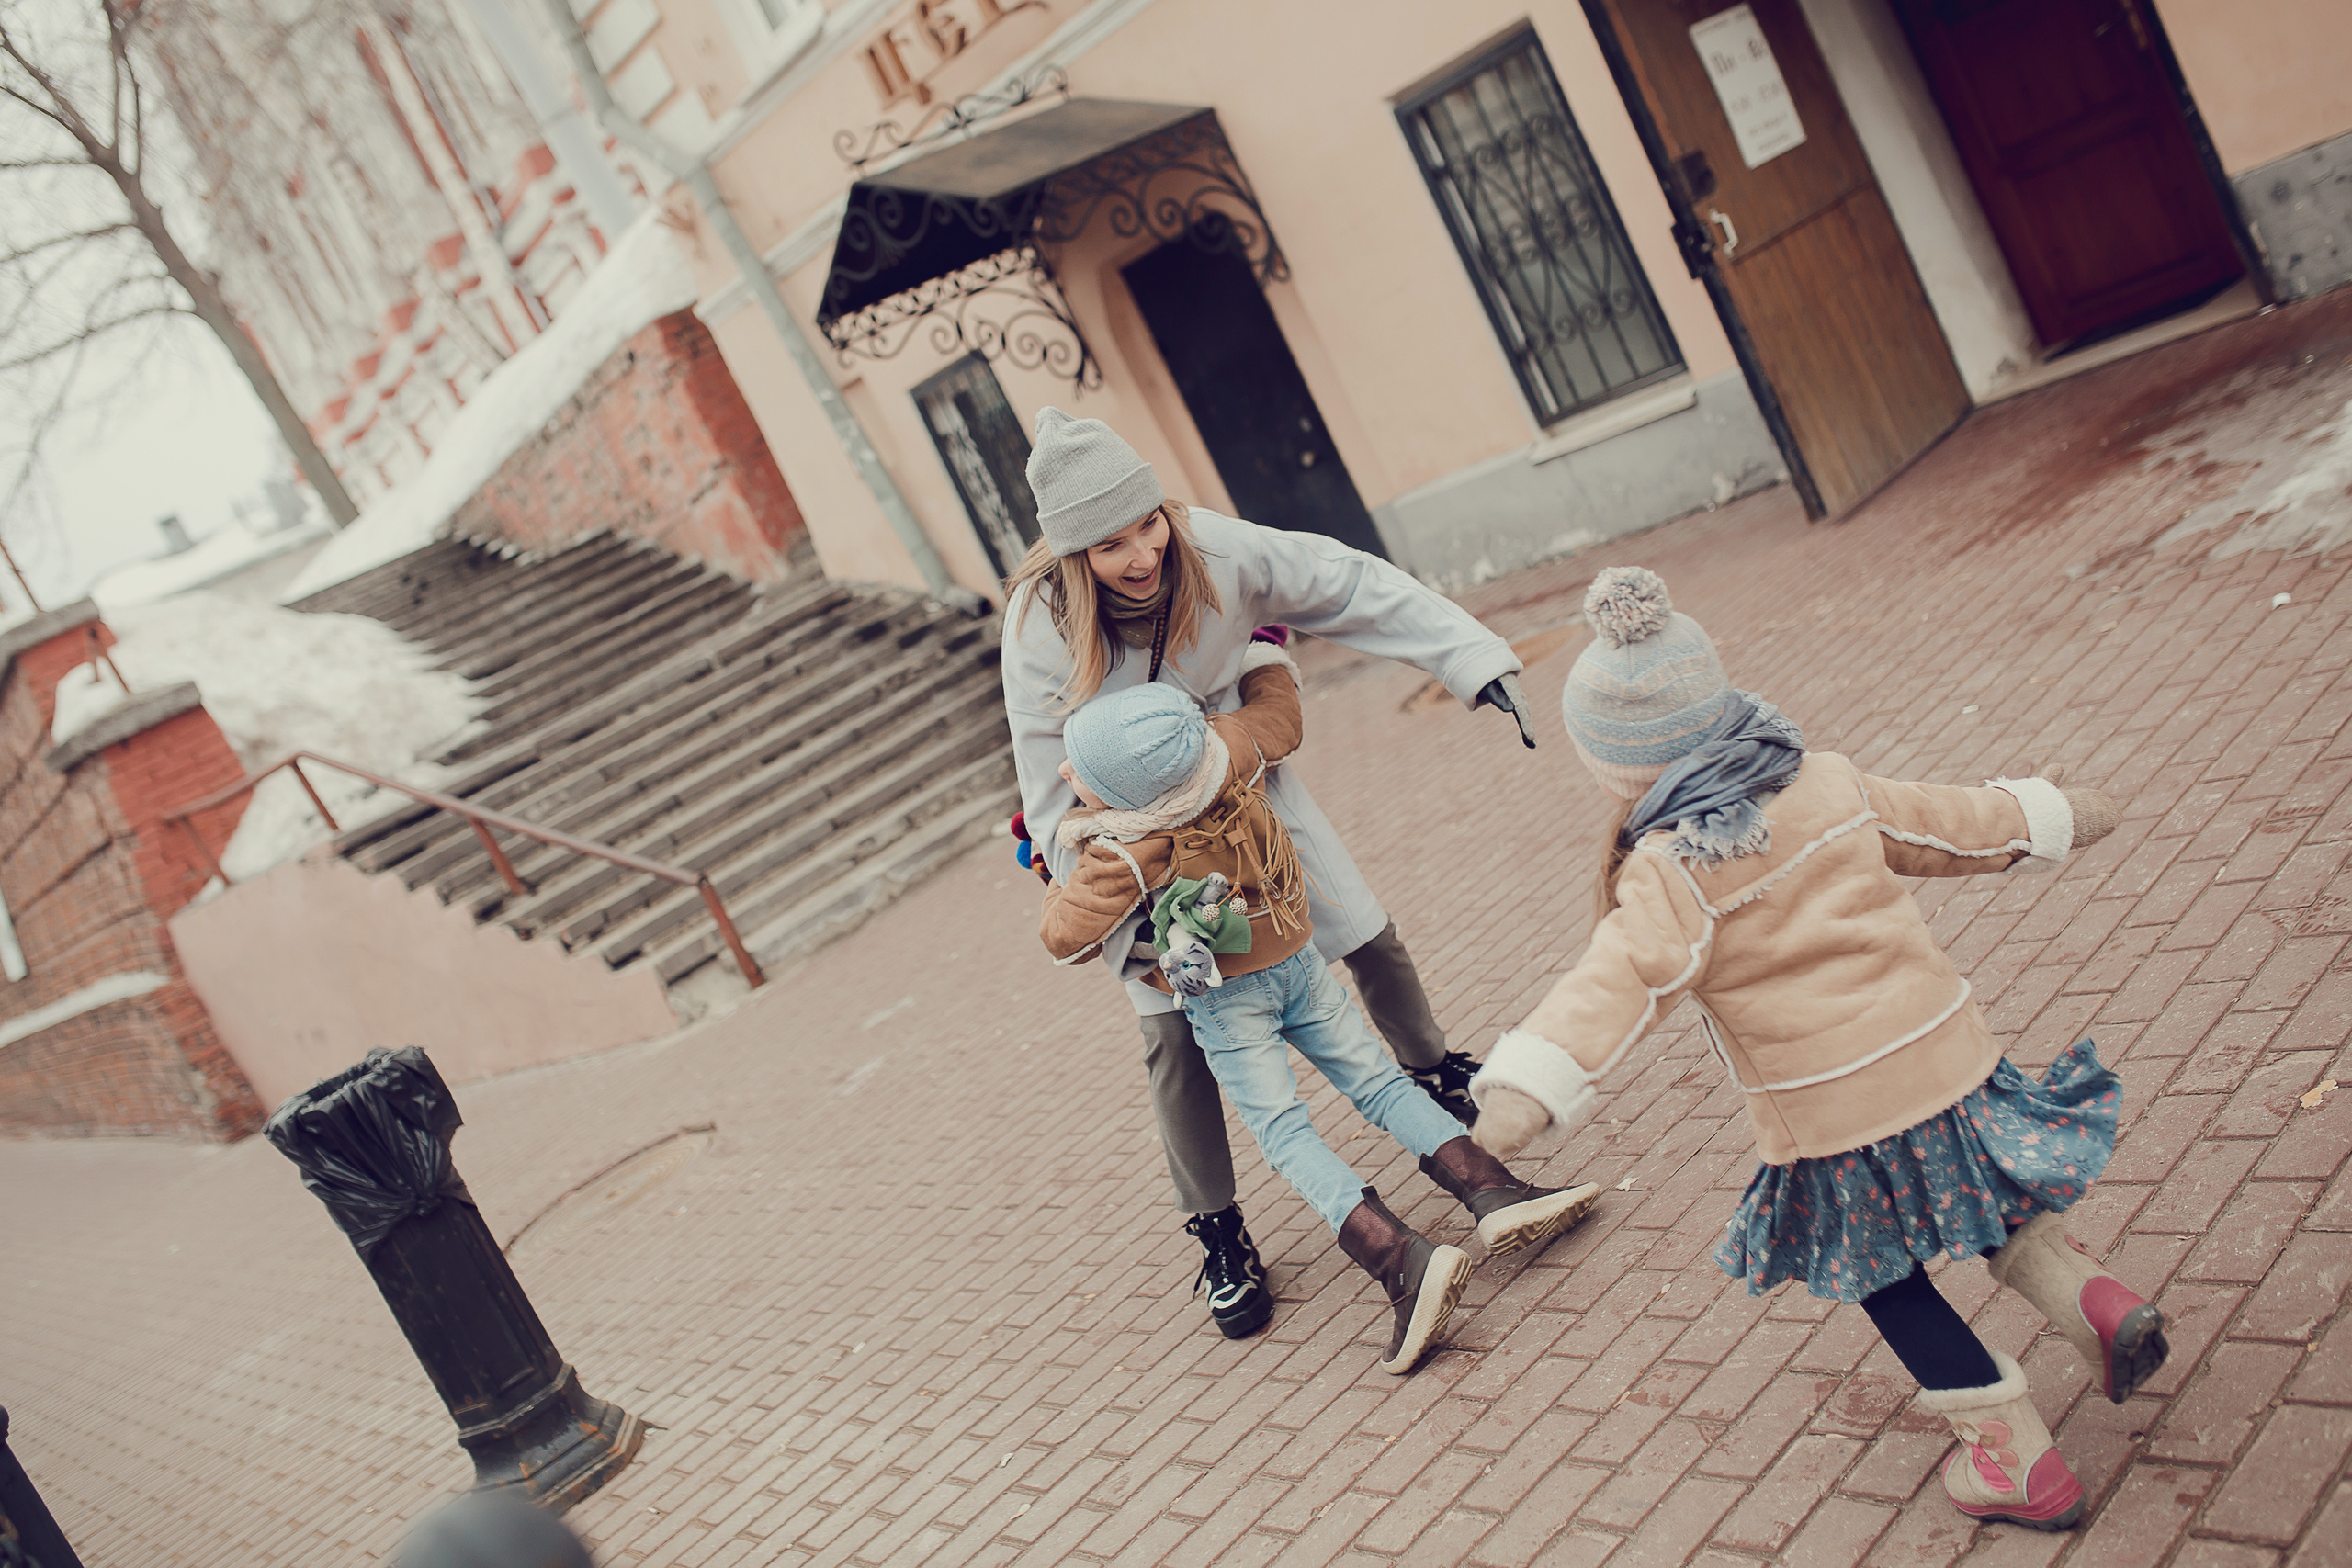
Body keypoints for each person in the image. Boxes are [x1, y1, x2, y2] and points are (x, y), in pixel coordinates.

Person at [1469, 567, 2163, 1531]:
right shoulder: (1823, 780)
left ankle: (2016, 1466)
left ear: (1620, 772)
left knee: (1882, 1274)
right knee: (1981, 1193)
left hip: (1835, 1116)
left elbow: (1612, 983)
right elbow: (1956, 825)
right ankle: (2088, 1300)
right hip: (1946, 1058)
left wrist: (1525, 1089)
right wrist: (2053, 814)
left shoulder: (1670, 869)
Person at [1001, 407, 1540, 1339]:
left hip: (1246, 787)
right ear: (1067, 554)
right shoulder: (1040, 626)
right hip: (1138, 846)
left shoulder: (1214, 548)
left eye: (1146, 524)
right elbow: (1046, 788)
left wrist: (1468, 657)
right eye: (1107, 544)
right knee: (1172, 1034)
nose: (1138, 554)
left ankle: (1436, 1075)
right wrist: (1109, 911)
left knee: (1360, 927)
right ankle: (1217, 1229)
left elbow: (1345, 582)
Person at [1037, 657, 1596, 1372]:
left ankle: (1399, 1259)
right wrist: (1262, 660)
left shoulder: (1124, 848)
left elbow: (1063, 934)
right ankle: (1492, 1187)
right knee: (1382, 1084)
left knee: (1285, 1130)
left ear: (1122, 790)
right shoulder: (1227, 755)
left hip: (1227, 1001)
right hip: (1298, 961)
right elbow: (1280, 716)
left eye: (1077, 770)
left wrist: (1059, 855)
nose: (1061, 776)